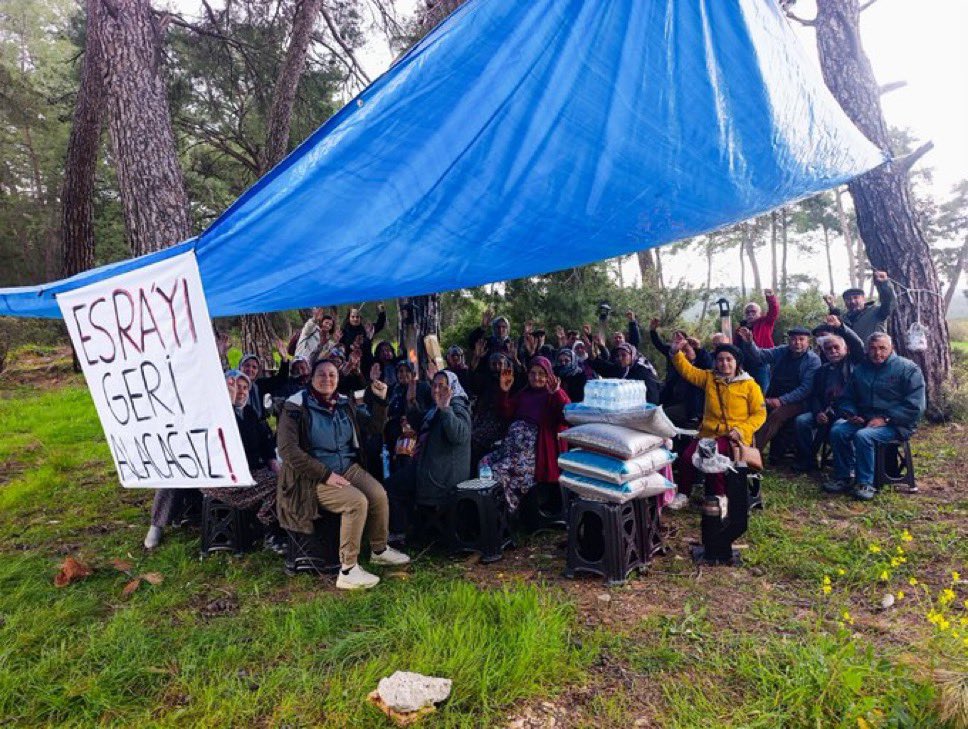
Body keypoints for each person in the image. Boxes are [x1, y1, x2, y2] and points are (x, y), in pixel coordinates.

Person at [276, 359, 410, 590]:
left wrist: (379, 400)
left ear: (338, 379)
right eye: (322, 374)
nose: (327, 379)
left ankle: (379, 549)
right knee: (355, 502)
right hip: (311, 476)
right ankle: (348, 569)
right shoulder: (296, 407)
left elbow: (374, 428)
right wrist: (325, 474)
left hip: (346, 466)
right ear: (311, 378)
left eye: (332, 375)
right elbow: (288, 451)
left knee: (378, 494)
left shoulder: (344, 403)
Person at [825, 333, 925, 500]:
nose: (877, 353)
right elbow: (847, 397)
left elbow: (916, 406)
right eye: (872, 348)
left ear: (891, 348)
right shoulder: (861, 370)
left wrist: (886, 418)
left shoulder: (908, 369)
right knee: (838, 431)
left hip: (897, 424)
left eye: (882, 348)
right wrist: (851, 413)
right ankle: (844, 477)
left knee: (864, 436)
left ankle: (866, 483)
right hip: (865, 419)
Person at [666, 342, 766, 509]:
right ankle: (683, 494)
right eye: (720, 360)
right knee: (686, 457)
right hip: (708, 434)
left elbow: (759, 414)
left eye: (729, 359)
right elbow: (688, 371)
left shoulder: (750, 385)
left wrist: (741, 430)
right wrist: (677, 353)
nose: (724, 363)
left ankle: (719, 496)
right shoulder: (709, 378)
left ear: (737, 362)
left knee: (713, 456)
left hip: (734, 436)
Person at [201, 371, 287, 553]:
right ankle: (271, 532)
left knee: (287, 476)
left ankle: (269, 526)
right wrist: (227, 398)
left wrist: (272, 460)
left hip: (250, 472)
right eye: (234, 387)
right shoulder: (216, 415)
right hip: (224, 480)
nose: (240, 392)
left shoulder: (248, 412)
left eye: (244, 387)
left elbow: (265, 439)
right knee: (277, 483)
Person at [384, 371, 472, 537]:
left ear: (452, 387)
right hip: (429, 467)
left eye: (442, 385)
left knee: (391, 488)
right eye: (434, 385)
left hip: (441, 477)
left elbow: (459, 435)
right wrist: (411, 401)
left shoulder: (458, 406)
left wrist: (446, 409)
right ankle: (409, 527)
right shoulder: (436, 408)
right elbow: (422, 425)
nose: (436, 389)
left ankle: (398, 533)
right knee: (394, 481)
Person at [482, 356, 570, 512]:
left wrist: (556, 393)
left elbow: (566, 416)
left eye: (541, 374)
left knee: (498, 472)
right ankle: (489, 511)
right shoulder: (524, 393)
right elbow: (505, 412)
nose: (536, 378)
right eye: (532, 373)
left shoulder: (554, 393)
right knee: (485, 463)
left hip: (532, 454)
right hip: (511, 449)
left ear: (549, 375)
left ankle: (504, 512)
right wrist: (504, 391)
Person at [737, 326, 821, 463]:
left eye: (801, 339)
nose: (797, 343)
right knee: (753, 411)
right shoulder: (782, 351)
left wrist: (781, 400)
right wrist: (749, 343)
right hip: (774, 395)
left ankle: (750, 457)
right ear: (789, 341)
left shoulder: (813, 360)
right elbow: (760, 356)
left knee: (776, 415)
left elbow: (806, 389)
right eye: (793, 339)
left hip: (799, 402)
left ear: (808, 342)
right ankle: (737, 446)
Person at [793, 317, 865, 472]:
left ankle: (847, 467)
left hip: (849, 412)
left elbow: (858, 345)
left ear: (845, 349)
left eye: (836, 347)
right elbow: (815, 396)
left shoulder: (855, 364)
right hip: (826, 411)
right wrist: (818, 412)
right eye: (828, 349)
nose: (833, 351)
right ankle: (809, 459)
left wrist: (841, 327)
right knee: (802, 421)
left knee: (837, 427)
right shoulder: (822, 370)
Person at [649, 319, 712, 427]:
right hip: (673, 398)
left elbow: (709, 365)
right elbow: (658, 344)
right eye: (675, 336)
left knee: (663, 415)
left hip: (692, 408)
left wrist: (699, 349)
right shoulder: (672, 352)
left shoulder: (700, 363)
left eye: (681, 336)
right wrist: (652, 331)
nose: (683, 354)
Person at [824, 270, 896, 344]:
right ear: (845, 302)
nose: (852, 301)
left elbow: (888, 302)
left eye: (856, 297)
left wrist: (884, 283)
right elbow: (838, 321)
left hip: (875, 353)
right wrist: (832, 307)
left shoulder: (876, 312)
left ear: (863, 299)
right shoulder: (845, 318)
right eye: (848, 299)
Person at [733, 289, 780, 392]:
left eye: (753, 311)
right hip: (745, 365)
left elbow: (774, 311)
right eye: (748, 312)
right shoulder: (740, 329)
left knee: (762, 391)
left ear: (759, 313)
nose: (750, 314)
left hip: (761, 363)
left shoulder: (765, 322)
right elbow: (736, 347)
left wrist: (770, 297)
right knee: (746, 391)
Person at [589, 341, 661, 404]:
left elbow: (653, 397)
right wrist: (593, 359)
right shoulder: (624, 367)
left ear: (632, 355)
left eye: (624, 355)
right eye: (618, 355)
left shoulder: (643, 371)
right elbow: (608, 370)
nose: (620, 358)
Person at [238, 340, 292, 420]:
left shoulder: (260, 384)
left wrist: (284, 359)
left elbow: (281, 380)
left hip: (258, 426)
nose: (250, 369)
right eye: (247, 365)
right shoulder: (233, 384)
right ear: (240, 367)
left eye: (254, 367)